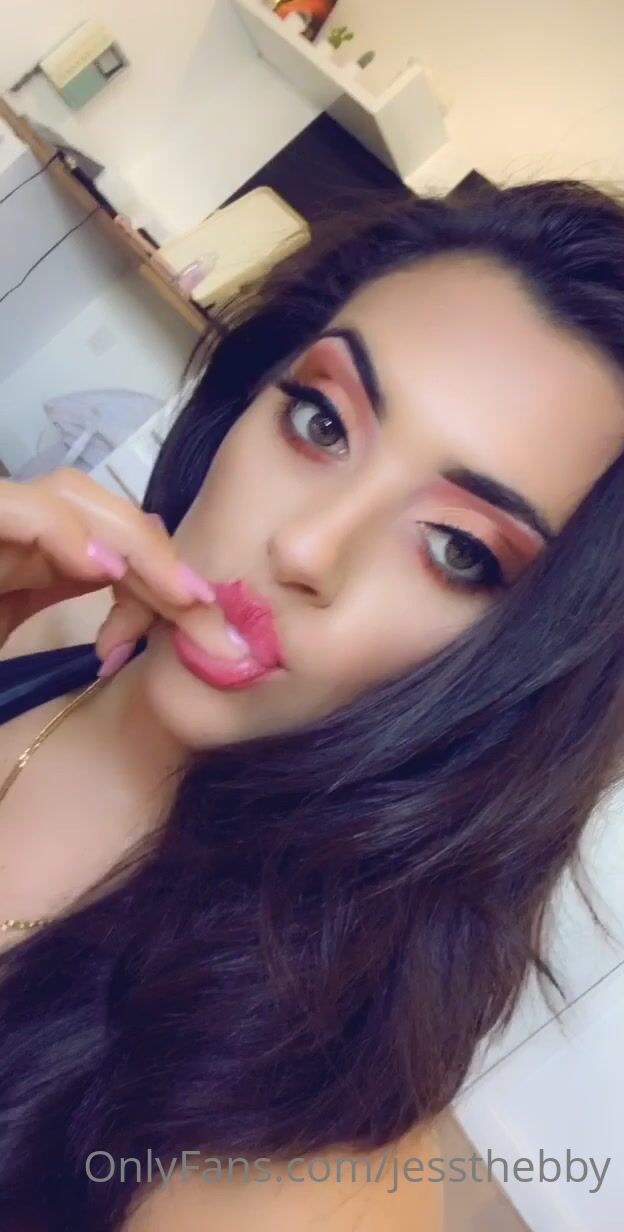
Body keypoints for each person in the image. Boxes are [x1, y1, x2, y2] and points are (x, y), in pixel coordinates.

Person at [1, 177, 624, 1232]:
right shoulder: (46, 631)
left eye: (458, 550)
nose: (303, 545)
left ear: (524, 680)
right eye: (320, 420)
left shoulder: (295, 1171)